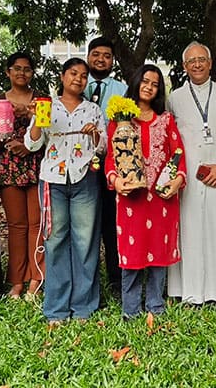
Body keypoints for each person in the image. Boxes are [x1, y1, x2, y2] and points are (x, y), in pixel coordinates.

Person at [25, 58, 106, 323]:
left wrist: (94, 135)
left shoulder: (93, 109)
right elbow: (33, 144)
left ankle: (83, 307)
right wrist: (37, 119)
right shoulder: (48, 106)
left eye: (84, 76)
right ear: (62, 76)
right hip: (53, 179)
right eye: (73, 74)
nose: (78, 79)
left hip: (85, 177)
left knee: (85, 242)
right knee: (55, 240)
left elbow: (103, 147)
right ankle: (56, 309)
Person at [105, 65, 186, 319]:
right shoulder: (119, 120)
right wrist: (116, 181)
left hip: (162, 198)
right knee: (132, 252)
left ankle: (155, 305)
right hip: (131, 198)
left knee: (159, 253)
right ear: (136, 82)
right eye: (146, 81)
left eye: (155, 83)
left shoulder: (166, 120)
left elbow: (179, 154)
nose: (149, 87)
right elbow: (110, 158)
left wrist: (178, 180)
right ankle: (130, 310)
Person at [166, 41, 216, 306]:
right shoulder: (174, 98)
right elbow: (169, 140)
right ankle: (189, 292)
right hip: (187, 176)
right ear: (184, 66)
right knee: (188, 232)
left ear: (211, 64)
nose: (197, 64)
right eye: (191, 61)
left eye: (202, 59)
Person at [0, 52, 46, 299]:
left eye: (27, 69)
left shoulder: (41, 100)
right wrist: (4, 140)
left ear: (33, 73)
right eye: (17, 68)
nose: (22, 73)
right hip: (9, 167)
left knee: (36, 225)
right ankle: (17, 281)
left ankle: (36, 277)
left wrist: (30, 117)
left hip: (36, 166)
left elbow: (51, 131)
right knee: (16, 226)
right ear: (8, 72)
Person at [82, 37, 128, 298]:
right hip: (80, 166)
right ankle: (88, 283)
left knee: (112, 225)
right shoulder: (76, 85)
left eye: (107, 55)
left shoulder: (122, 90)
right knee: (85, 227)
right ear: (88, 56)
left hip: (112, 166)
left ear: (113, 60)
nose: (101, 59)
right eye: (96, 54)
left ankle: (116, 280)